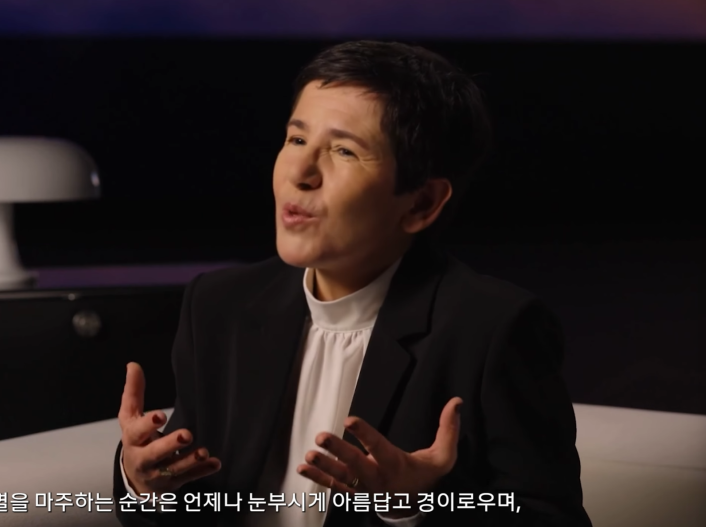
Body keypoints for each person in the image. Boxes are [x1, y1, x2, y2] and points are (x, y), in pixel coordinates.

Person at [113, 40, 592, 527]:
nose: (300, 173)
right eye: (296, 139)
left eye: (344, 150)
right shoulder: (220, 305)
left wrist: (411, 508)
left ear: (421, 203)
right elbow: (193, 498)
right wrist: (142, 485)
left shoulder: (491, 329)